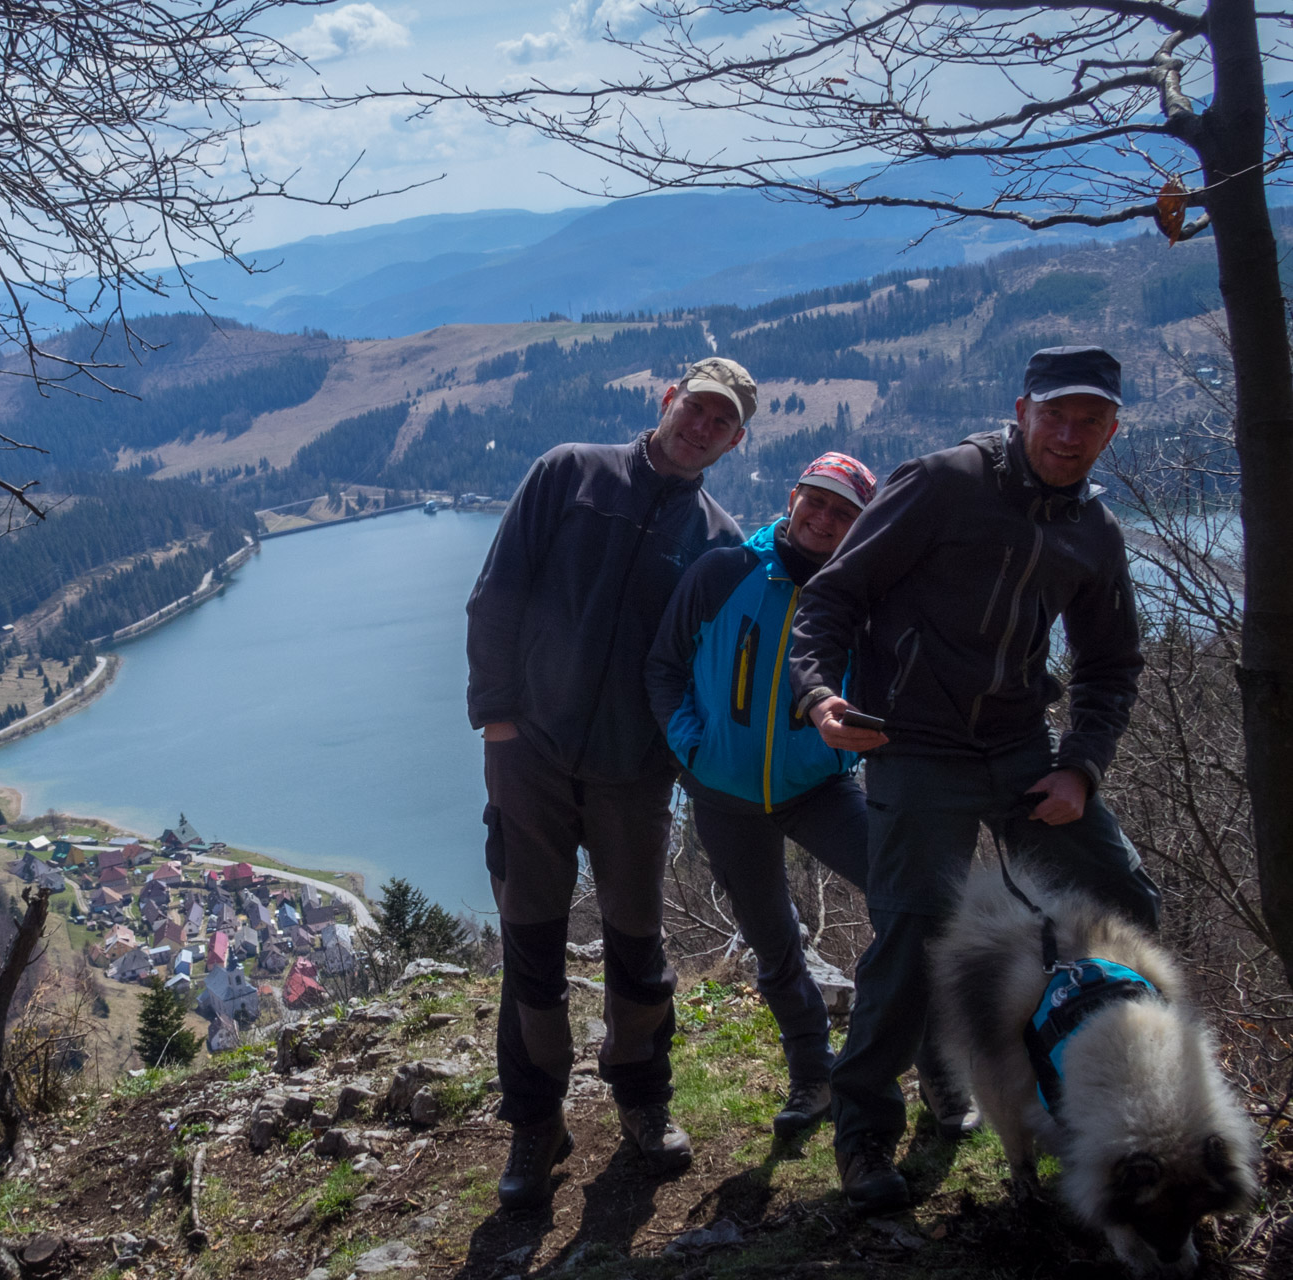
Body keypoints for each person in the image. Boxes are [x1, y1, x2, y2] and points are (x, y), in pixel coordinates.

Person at [789, 345, 1162, 1214]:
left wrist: (1081, 766)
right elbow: (833, 598)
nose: (1070, 437)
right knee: (914, 935)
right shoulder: (946, 482)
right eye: (1056, 416)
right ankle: (865, 1130)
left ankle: (1090, 1090)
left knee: (1126, 906)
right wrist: (819, 696)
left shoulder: (1092, 531)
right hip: (915, 747)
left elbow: (1111, 666)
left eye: (1091, 422)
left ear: (1112, 431)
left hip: (1025, 749)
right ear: (1023, 410)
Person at [466, 356, 753, 1212]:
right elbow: (498, 595)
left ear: (735, 442)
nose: (702, 427)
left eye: (722, 423)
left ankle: (640, 1096)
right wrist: (499, 720)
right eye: (696, 407)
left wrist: (676, 758)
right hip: (533, 758)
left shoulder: (722, 544)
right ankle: (535, 1120)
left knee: (637, 945)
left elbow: (711, 678)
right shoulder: (570, 472)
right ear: (666, 399)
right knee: (532, 942)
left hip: (635, 775)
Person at [644, 452, 877, 1138]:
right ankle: (813, 1076)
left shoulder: (858, 596)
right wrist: (693, 750)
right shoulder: (725, 572)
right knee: (773, 944)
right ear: (793, 495)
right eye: (818, 501)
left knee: (907, 893)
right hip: (725, 794)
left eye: (843, 512)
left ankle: (923, 1059)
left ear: (858, 525)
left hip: (819, 788)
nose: (824, 519)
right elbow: (663, 666)